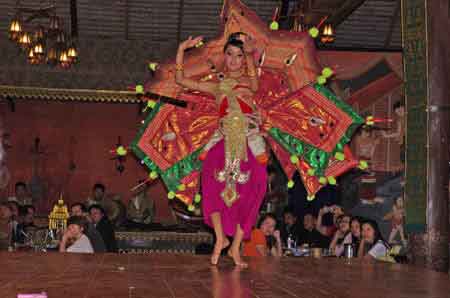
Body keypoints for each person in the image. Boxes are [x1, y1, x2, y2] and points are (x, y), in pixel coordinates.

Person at [175, 32, 267, 266]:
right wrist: (181, 49)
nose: (234, 60)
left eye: (239, 55)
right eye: (230, 54)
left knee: (255, 188)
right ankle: (219, 239)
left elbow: (255, 85)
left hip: (248, 141)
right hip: (223, 140)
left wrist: (249, 54)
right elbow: (181, 80)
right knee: (210, 183)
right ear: (224, 57)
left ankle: (235, 247)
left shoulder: (249, 81)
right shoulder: (216, 86)